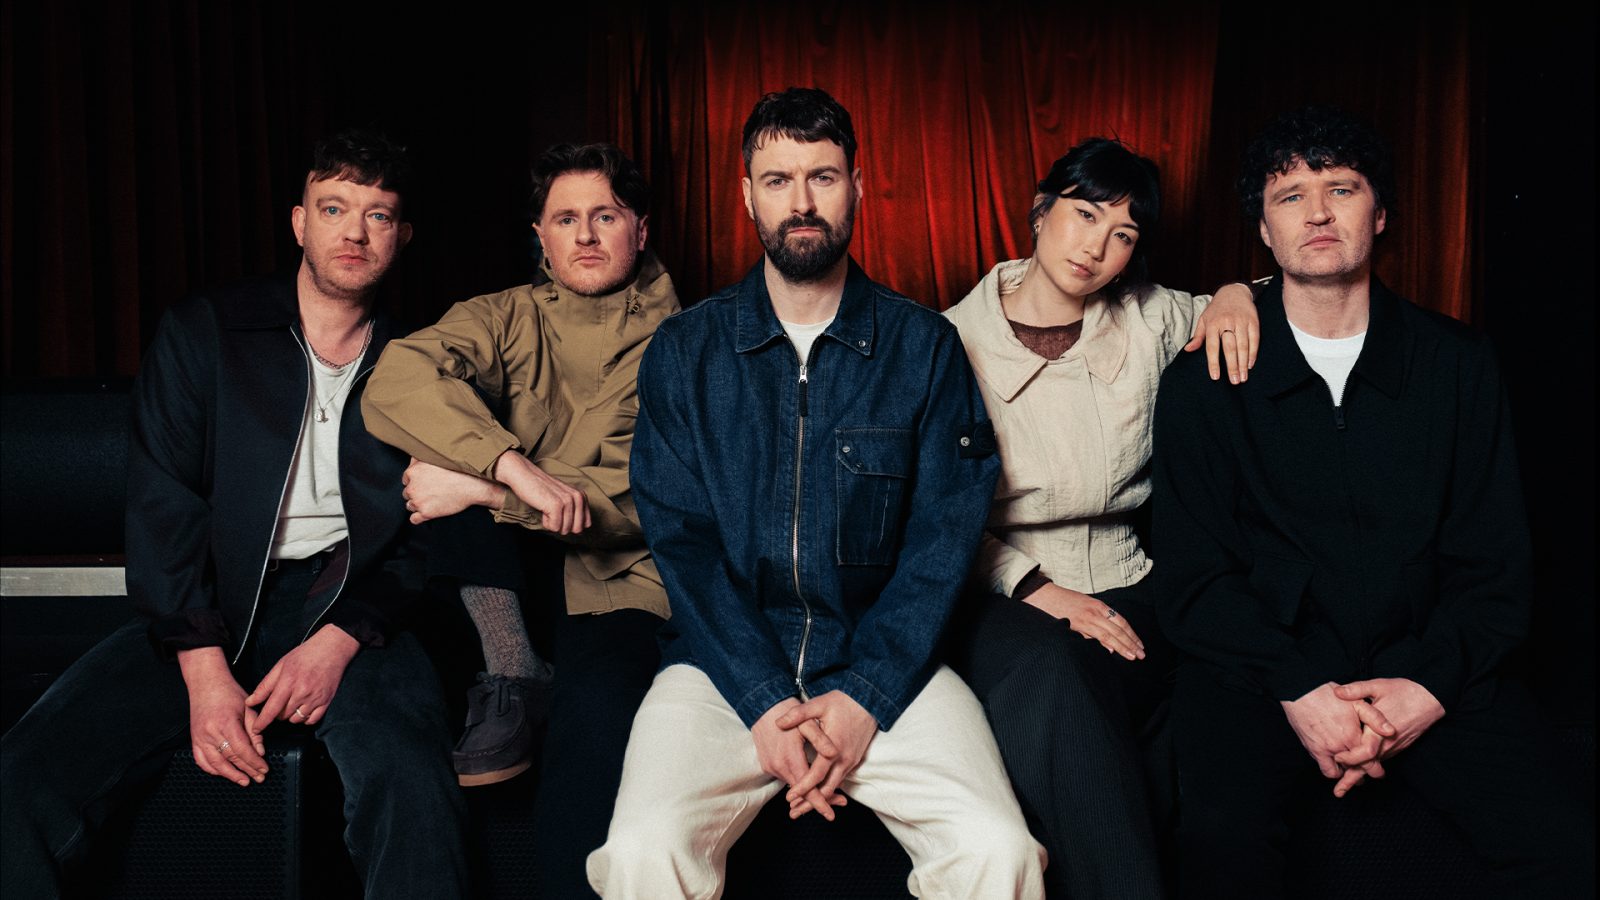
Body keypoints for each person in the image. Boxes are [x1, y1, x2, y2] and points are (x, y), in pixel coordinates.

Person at [586, 87, 1045, 899]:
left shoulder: (924, 348)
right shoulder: (685, 351)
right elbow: (683, 547)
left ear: (857, 186)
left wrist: (865, 696)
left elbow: (942, 542)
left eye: (823, 177)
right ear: (746, 195)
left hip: (885, 662)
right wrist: (764, 699)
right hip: (722, 667)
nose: (801, 202)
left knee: (997, 849)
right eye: (778, 180)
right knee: (639, 851)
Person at [0, 129, 469, 898]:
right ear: (299, 222)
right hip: (209, 605)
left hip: (353, 610)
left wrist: (338, 642)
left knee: (411, 786)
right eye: (334, 208)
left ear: (402, 236)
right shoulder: (207, 332)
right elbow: (163, 507)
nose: (353, 232)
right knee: (22, 776)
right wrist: (202, 666)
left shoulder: (426, 359)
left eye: (378, 215)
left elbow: (427, 541)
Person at [1151, 105, 1594, 898]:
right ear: (1264, 231)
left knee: (1567, 846)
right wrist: (1297, 685)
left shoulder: (1458, 364)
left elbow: (1496, 565)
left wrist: (1427, 689)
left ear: (1380, 213)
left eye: (1343, 189)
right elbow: (1195, 576)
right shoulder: (1203, 380)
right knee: (1220, 843)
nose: (1318, 212)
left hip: (1425, 657)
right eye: (1291, 196)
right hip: (1263, 667)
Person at [943, 137, 1257, 898]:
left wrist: (1234, 292)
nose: (1096, 247)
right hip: (997, 589)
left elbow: (1280, 295)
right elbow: (930, 510)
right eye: (1085, 215)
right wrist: (1035, 588)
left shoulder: (1151, 317)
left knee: (1206, 693)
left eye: (1123, 234)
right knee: (1063, 677)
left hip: (1131, 575)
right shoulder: (943, 339)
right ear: (1040, 211)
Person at [361, 142, 677, 898]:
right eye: (566, 219)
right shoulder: (504, 315)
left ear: (641, 228)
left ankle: (523, 686)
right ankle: (510, 671)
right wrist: (508, 464)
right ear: (540, 235)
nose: (586, 235)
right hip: (495, 585)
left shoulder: (689, 342)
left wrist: (484, 490)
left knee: (592, 739)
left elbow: (643, 498)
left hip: (616, 584)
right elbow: (397, 377)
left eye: (606, 216)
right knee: (391, 711)